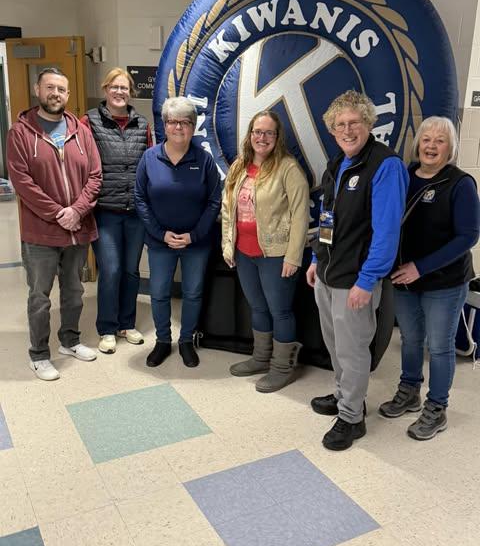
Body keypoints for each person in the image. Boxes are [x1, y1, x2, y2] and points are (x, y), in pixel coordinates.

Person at [306, 90, 409, 450]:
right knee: (336, 346)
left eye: (354, 123)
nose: (347, 130)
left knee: (352, 350)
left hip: (356, 280)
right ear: (332, 131)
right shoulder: (337, 164)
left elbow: (386, 232)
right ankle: (345, 397)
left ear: (369, 124)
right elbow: (327, 220)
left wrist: (367, 281)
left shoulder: (385, 165)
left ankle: (352, 419)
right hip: (329, 274)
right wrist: (317, 259)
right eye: (340, 125)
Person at [379, 116, 479, 440]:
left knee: (438, 346)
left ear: (450, 148)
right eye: (426, 139)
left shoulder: (460, 183)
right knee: (410, 339)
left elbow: (468, 236)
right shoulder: (405, 176)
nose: (431, 146)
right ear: (417, 143)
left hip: (444, 282)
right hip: (404, 278)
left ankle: (437, 407)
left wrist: (421, 267)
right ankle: (409, 391)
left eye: (440, 141)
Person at [7, 67, 102, 381]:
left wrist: (76, 210)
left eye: (61, 89)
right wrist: (59, 213)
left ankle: (70, 340)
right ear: (38, 90)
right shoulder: (20, 133)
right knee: (40, 296)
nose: (55, 94)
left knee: (74, 291)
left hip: (77, 229)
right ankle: (39, 354)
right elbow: (22, 182)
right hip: (41, 232)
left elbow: (95, 176)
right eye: (50, 88)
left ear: (68, 94)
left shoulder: (81, 131)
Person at [222, 111, 310, 392]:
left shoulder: (288, 168)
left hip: (276, 254)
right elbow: (228, 209)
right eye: (257, 132)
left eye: (268, 133)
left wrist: (293, 256)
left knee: (280, 311)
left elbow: (300, 215)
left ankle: (283, 368)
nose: (262, 138)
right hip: (245, 252)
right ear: (250, 135)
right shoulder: (239, 166)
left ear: (277, 137)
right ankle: (261, 358)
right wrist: (228, 244)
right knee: (257, 307)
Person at [135, 96, 221, 368]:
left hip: (196, 242)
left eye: (185, 122)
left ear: (193, 126)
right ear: (165, 125)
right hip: (160, 242)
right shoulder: (150, 158)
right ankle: (162, 341)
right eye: (173, 122)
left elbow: (214, 201)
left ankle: (185, 341)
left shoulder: (204, 160)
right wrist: (161, 234)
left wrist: (194, 235)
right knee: (159, 293)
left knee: (193, 292)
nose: (179, 128)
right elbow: (140, 198)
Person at [81, 68, 152, 354]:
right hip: (105, 210)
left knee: (131, 271)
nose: (120, 92)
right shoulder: (89, 121)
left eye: (125, 88)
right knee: (110, 270)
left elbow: (150, 162)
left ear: (130, 91)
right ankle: (107, 328)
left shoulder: (141, 123)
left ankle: (127, 323)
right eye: (115, 87)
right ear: (105, 89)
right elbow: (80, 162)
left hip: (135, 210)